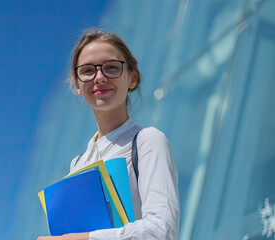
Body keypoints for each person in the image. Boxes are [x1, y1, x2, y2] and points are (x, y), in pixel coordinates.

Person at [37, 28, 180, 240]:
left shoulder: (147, 141)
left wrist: (80, 239)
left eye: (111, 68)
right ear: (77, 85)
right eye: (87, 71)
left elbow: (161, 231)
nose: (99, 77)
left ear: (132, 79)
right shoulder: (77, 165)